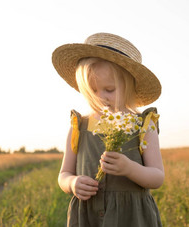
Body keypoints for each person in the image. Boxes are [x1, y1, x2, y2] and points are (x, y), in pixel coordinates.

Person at [52, 32, 164, 227]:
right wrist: (72, 183)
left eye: (109, 90)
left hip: (131, 218)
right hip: (89, 217)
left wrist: (130, 168)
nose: (100, 98)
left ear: (129, 87)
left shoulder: (143, 124)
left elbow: (157, 177)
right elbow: (64, 174)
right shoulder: (79, 125)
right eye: (92, 91)